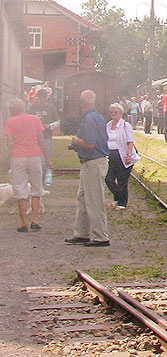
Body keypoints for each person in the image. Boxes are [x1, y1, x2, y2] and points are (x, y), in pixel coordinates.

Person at [65, 89, 110, 247]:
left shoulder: (89, 119)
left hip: (93, 162)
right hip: (92, 162)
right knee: (83, 198)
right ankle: (81, 233)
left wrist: (76, 141)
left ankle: (101, 236)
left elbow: (90, 143)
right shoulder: (98, 117)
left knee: (94, 200)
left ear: (81, 102)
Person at [4, 98, 52, 232]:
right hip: (35, 155)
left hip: (18, 157)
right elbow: (41, 140)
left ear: (12, 110)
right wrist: (47, 159)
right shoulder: (35, 119)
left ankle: (23, 222)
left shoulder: (10, 122)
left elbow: (9, 143)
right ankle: (35, 220)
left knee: (20, 188)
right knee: (37, 186)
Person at [103, 103, 135, 210]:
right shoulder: (107, 125)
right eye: (112, 112)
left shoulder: (126, 125)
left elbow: (130, 141)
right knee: (109, 179)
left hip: (123, 154)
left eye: (115, 112)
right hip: (111, 155)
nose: (113, 114)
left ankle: (122, 203)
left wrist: (128, 155)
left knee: (122, 180)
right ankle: (118, 197)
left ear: (121, 113)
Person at [30, 88, 59, 187]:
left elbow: (57, 122)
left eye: (45, 97)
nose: (43, 99)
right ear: (38, 97)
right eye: (41, 97)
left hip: (47, 136)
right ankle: (35, 180)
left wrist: (50, 126)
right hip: (34, 137)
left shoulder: (51, 108)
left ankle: (42, 180)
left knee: (44, 159)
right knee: (35, 158)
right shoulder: (33, 108)